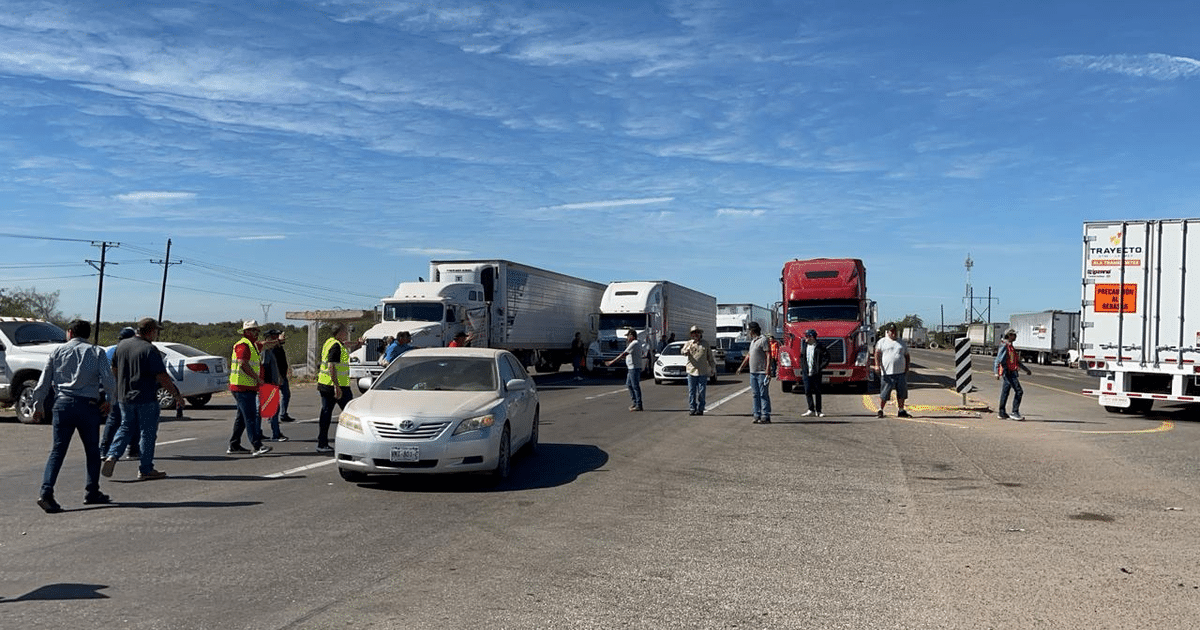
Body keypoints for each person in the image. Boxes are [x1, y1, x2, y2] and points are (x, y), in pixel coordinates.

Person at [30, 319, 117, 513]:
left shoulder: (57, 351)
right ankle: (92, 490)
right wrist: (110, 399)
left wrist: (38, 405)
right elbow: (108, 379)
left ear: (69, 332)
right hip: (88, 405)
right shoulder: (96, 352)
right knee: (92, 450)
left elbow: (44, 381)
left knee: (58, 451)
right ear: (87, 334)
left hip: (63, 404)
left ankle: (46, 491)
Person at [102, 317, 183, 481]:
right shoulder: (149, 349)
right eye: (156, 331)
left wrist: (118, 387)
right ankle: (146, 469)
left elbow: (114, 369)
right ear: (151, 331)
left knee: (125, 427)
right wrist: (176, 395)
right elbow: (162, 376)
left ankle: (112, 455)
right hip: (145, 396)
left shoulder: (122, 346)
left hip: (124, 396)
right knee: (147, 432)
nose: (156, 335)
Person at [228, 320, 272, 457]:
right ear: (246, 332)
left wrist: (277, 341)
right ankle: (257, 445)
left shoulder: (252, 345)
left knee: (242, 418)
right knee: (250, 417)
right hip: (242, 387)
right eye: (254, 330)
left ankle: (234, 445)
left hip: (245, 386)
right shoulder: (243, 345)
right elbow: (243, 364)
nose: (256, 333)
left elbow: (264, 344)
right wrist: (257, 378)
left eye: (257, 330)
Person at [99, 326, 139, 460]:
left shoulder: (110, 350)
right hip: (128, 390)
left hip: (113, 389)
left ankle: (104, 450)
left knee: (113, 421)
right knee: (133, 420)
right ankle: (133, 449)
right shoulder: (133, 350)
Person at [316, 323, 354, 453]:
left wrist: (357, 344)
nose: (346, 334)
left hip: (325, 384)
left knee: (326, 413)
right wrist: (336, 387)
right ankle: (352, 441)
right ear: (340, 333)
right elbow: (331, 366)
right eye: (345, 331)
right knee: (351, 413)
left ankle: (322, 443)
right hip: (337, 386)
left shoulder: (330, 342)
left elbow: (346, 344)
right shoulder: (336, 346)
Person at [735, 321, 774, 424]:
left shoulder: (763, 340)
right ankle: (756, 414)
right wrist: (741, 367)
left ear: (752, 331)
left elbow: (768, 355)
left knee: (763, 394)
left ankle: (765, 415)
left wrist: (768, 369)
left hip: (762, 372)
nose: (748, 332)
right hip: (753, 372)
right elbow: (749, 355)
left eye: (749, 330)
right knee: (755, 394)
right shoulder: (753, 342)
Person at [994, 328, 1033, 420]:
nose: (1015, 336)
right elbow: (998, 359)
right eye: (1014, 335)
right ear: (1009, 335)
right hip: (1008, 372)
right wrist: (996, 372)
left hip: (1011, 372)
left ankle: (1001, 413)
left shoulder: (1010, 346)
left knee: (1005, 392)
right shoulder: (1004, 346)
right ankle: (1014, 412)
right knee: (1019, 391)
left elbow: (1016, 361)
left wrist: (1026, 370)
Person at [874, 323, 911, 418]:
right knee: (884, 393)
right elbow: (877, 354)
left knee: (902, 393)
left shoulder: (901, 342)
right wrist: (877, 365)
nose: (894, 333)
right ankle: (880, 410)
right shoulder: (882, 342)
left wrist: (907, 367)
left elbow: (907, 356)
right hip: (887, 373)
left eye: (895, 331)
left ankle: (901, 410)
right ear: (887, 332)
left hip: (901, 373)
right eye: (892, 331)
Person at [682, 325, 716, 416]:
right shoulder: (689, 343)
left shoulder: (705, 344)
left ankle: (701, 408)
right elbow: (682, 351)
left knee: (701, 391)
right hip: (691, 371)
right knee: (692, 391)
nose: (696, 334)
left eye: (697, 332)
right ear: (691, 334)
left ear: (700, 334)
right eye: (694, 333)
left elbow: (710, 358)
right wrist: (685, 351)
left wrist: (713, 368)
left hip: (702, 371)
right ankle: (692, 408)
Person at [605, 330, 644, 411]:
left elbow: (624, 354)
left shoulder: (634, 343)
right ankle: (635, 402)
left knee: (635, 386)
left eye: (628, 336)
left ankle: (638, 404)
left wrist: (612, 361)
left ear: (632, 336)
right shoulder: (636, 343)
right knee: (629, 384)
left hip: (634, 368)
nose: (627, 338)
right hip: (631, 367)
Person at [796, 329, 830, 418]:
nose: (805, 338)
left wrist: (820, 367)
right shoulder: (804, 345)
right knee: (807, 390)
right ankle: (810, 409)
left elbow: (827, 357)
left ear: (812, 337)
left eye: (807, 336)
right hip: (806, 372)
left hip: (816, 373)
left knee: (817, 391)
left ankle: (819, 411)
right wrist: (803, 366)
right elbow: (802, 357)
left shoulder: (820, 346)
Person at [260, 330, 287, 441]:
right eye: (273, 337)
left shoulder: (271, 350)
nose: (275, 340)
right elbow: (265, 367)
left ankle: (274, 433)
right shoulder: (266, 351)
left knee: (273, 409)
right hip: (268, 384)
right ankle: (275, 434)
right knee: (273, 410)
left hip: (272, 383)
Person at [273, 330, 297, 423]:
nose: (284, 339)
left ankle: (283, 414)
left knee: (286, 394)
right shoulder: (273, 349)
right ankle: (272, 417)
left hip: (283, 375)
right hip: (276, 377)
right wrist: (279, 376)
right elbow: (274, 364)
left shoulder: (280, 348)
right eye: (282, 337)